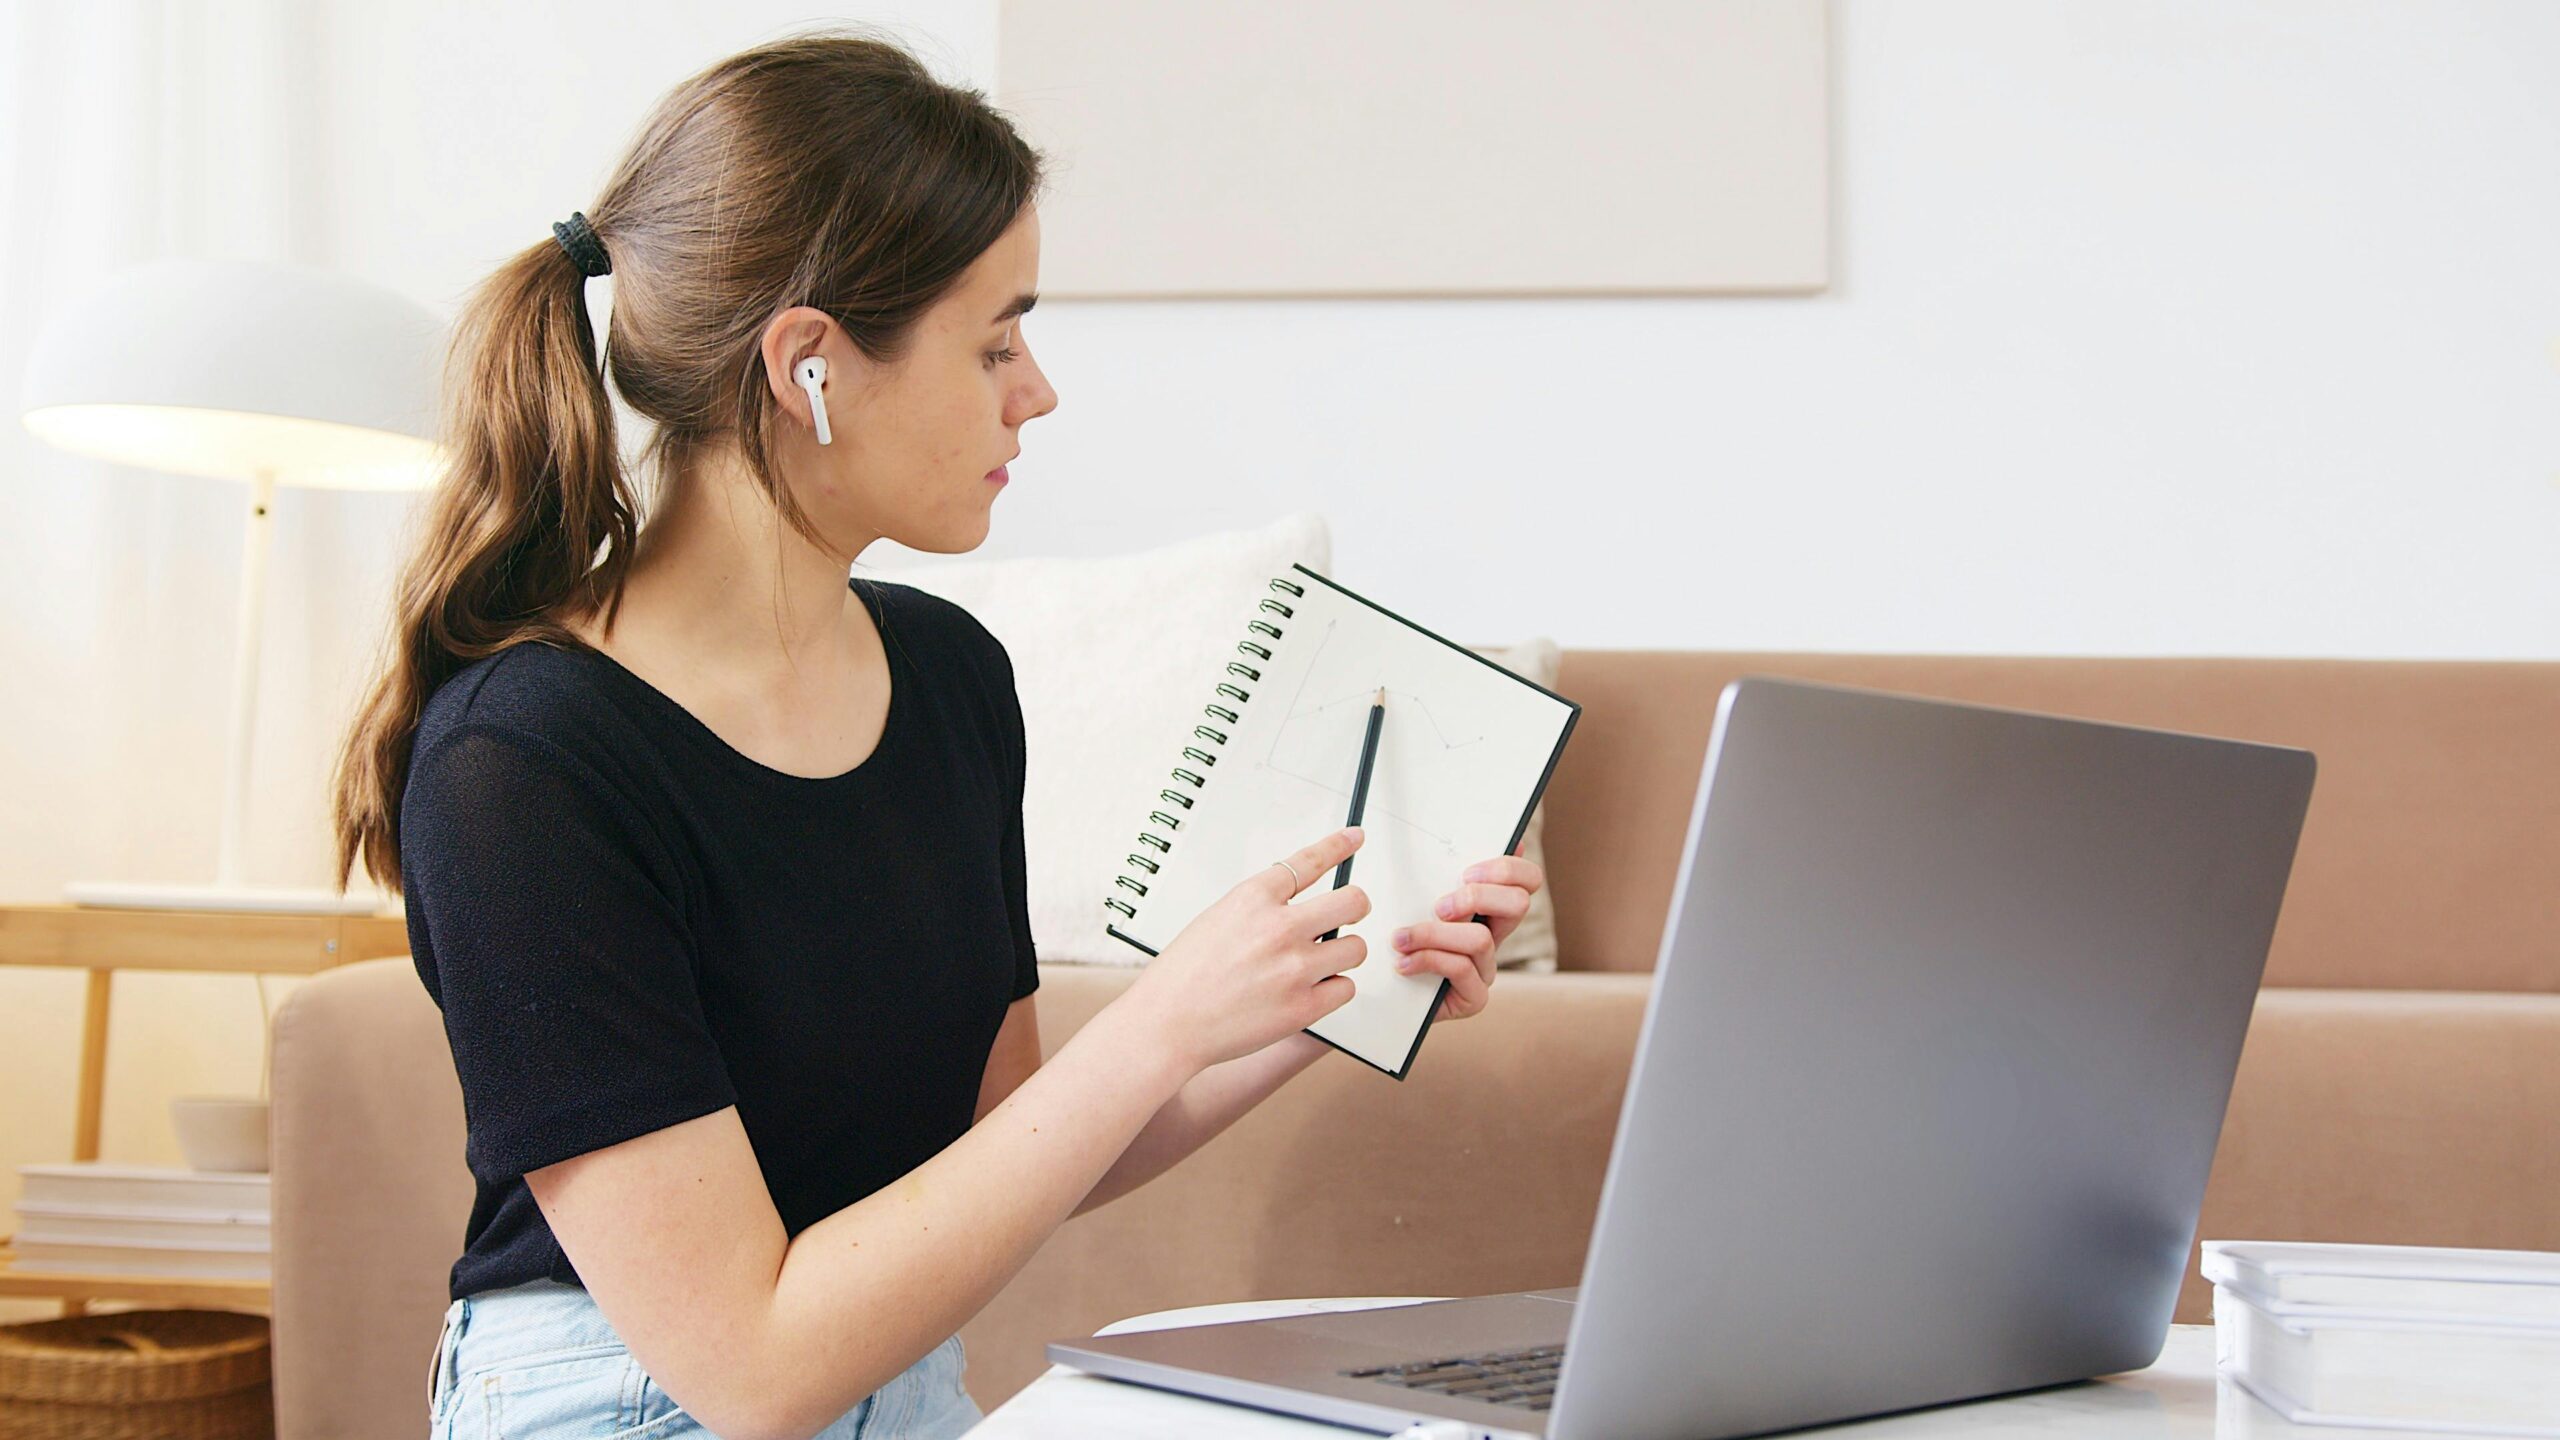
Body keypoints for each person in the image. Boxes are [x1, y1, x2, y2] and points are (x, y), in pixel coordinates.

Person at [328, 27, 1544, 1440]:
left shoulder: (950, 677)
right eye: (995, 339)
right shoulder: (522, 767)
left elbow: (1008, 1144)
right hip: (619, 1405)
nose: (1037, 390)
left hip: (898, 1396)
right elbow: (749, 1366)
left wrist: (1323, 995)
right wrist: (1155, 1022)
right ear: (811, 367)